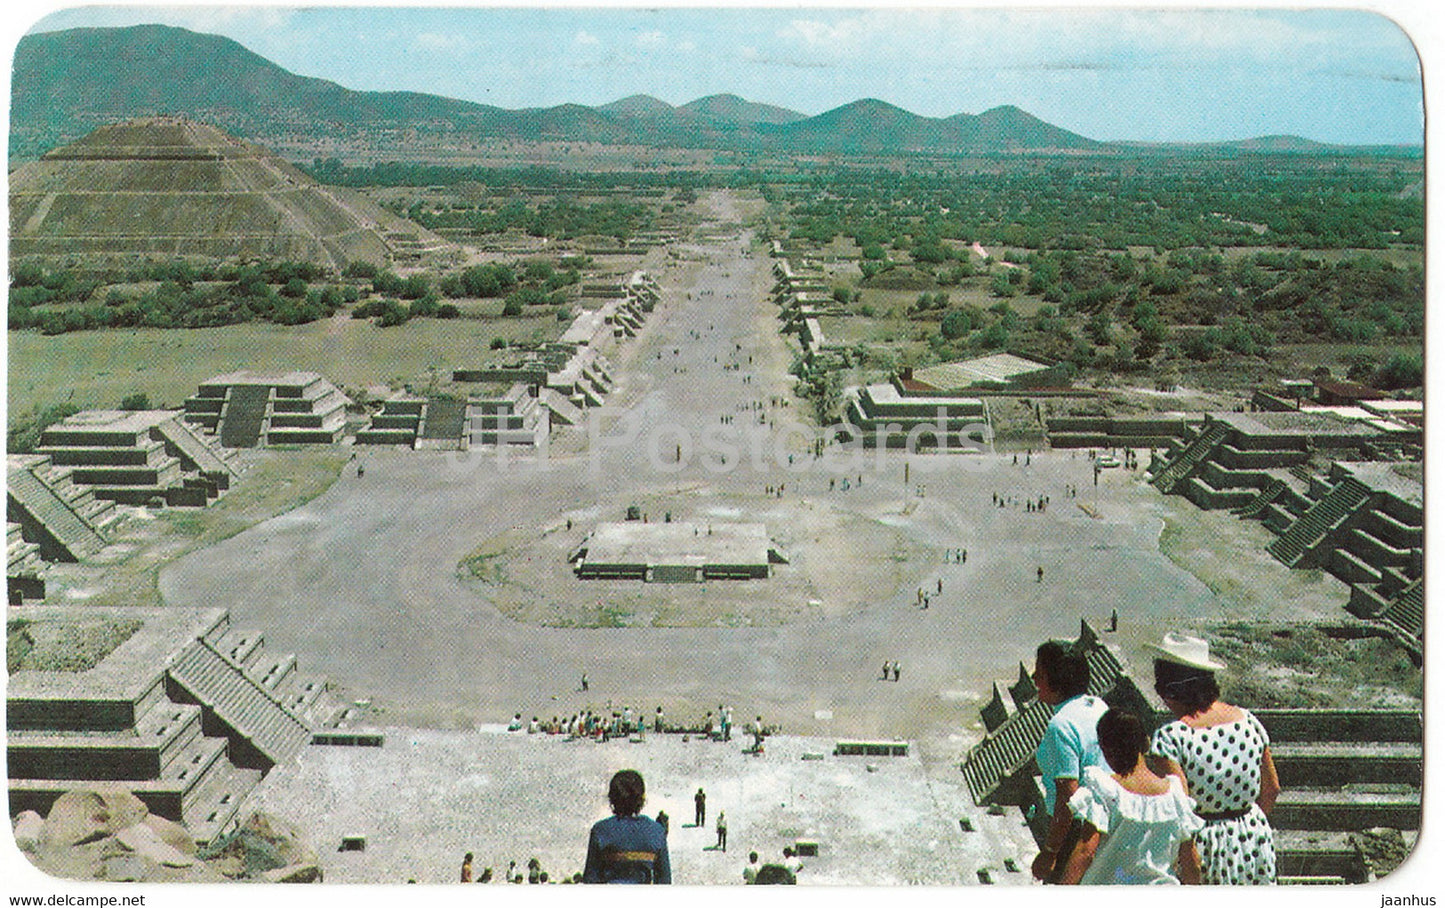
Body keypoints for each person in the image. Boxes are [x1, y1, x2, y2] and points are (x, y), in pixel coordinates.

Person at [1147, 634, 1279, 885]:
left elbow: (1181, 812)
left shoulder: (1171, 738)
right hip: (1253, 840)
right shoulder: (1249, 720)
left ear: (1172, 689)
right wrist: (1243, 827)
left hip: (1204, 845)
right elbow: (1272, 788)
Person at [1058, 710, 1203, 885]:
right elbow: (1191, 861)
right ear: (1146, 742)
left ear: (1106, 750)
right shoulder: (1176, 795)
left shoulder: (1105, 789)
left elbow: (1086, 851)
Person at [1030, 641, 1109, 882]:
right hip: (1102, 824)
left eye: (1040, 674)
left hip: (1073, 834)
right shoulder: (1098, 706)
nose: (1034, 679)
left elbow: (1068, 797)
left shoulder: (1061, 725)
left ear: (1057, 681)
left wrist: (1050, 852)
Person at [582, 769, 672, 884]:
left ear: (612, 798)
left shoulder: (600, 830)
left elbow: (591, 879)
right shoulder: (657, 831)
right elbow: (664, 880)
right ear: (641, 798)